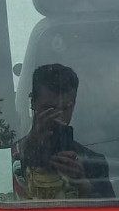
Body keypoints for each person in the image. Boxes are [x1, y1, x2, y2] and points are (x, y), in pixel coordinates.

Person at [15, 64, 113, 201]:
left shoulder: (94, 163)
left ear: (74, 105)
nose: (59, 117)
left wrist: (83, 184)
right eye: (49, 108)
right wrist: (33, 144)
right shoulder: (16, 155)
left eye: (66, 108)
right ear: (32, 102)